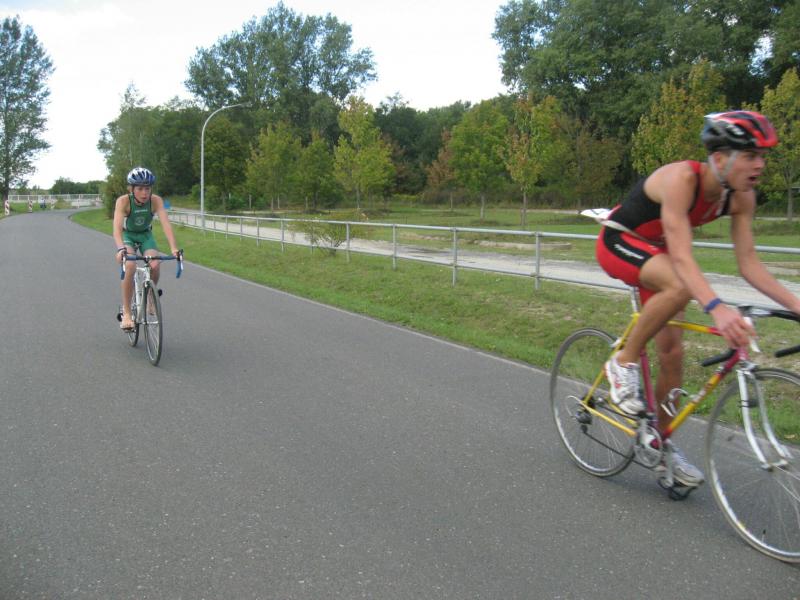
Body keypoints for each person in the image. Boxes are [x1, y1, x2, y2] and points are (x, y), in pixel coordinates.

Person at [595, 110, 800, 487]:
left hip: (658, 256)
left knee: (673, 356)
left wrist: (796, 304)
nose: (759, 165)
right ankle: (622, 364)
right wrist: (717, 308)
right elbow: (683, 257)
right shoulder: (681, 180)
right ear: (720, 159)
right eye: (750, 155)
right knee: (680, 285)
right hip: (620, 241)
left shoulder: (742, 198)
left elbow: (749, 264)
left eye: (762, 156)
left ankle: (659, 444)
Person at [113, 167, 180, 331]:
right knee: (130, 266)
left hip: (145, 236)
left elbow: (166, 224)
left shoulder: (156, 201)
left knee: (155, 263)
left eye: (148, 189)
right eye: (140, 189)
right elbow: (116, 229)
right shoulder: (123, 201)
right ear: (131, 189)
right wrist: (120, 249)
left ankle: (150, 296)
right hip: (128, 236)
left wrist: (174, 248)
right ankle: (127, 313)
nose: (144, 193)